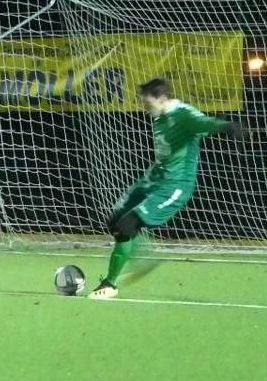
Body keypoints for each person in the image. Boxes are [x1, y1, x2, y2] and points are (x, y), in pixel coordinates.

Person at [88, 76, 246, 299]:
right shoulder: (160, 116)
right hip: (153, 179)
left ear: (161, 98)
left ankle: (110, 284)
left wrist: (227, 126)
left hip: (174, 186)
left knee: (126, 226)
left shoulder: (183, 115)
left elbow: (204, 123)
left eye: (147, 104)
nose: (145, 109)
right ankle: (144, 255)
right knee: (114, 220)